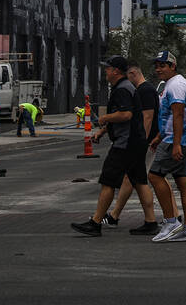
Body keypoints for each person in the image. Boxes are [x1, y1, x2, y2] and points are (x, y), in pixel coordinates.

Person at [70, 56, 155, 237]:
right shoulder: (125, 88)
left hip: (126, 144)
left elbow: (125, 115)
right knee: (139, 181)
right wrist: (103, 131)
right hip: (136, 143)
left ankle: (95, 223)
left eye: (108, 69)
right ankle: (151, 222)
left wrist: (104, 118)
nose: (105, 72)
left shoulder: (122, 90)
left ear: (116, 71)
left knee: (108, 181)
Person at [147, 50, 186, 243]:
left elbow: (178, 115)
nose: (159, 69)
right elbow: (172, 115)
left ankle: (171, 222)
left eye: (163, 65)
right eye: (157, 65)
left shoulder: (176, 85)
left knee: (154, 175)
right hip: (182, 139)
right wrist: (159, 136)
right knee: (183, 180)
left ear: (172, 66)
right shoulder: (173, 84)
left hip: (176, 141)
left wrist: (175, 143)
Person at [104, 63, 160, 234]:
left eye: (127, 76)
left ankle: (114, 216)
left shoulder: (145, 90)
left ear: (133, 73)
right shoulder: (140, 90)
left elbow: (147, 117)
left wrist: (142, 141)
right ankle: (115, 215)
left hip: (143, 142)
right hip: (141, 142)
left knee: (142, 179)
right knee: (135, 179)